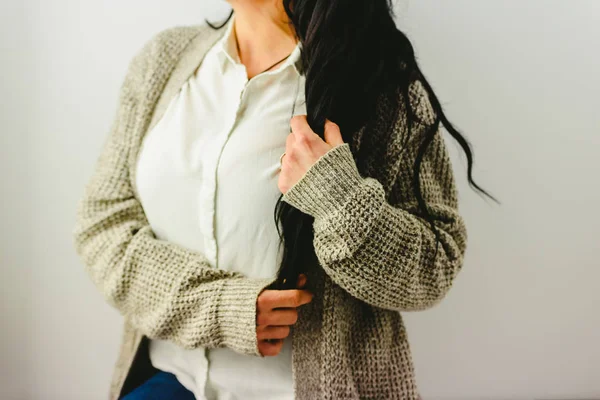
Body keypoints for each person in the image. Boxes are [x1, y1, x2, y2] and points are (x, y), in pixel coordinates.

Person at [73, 0, 493, 399]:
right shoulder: (163, 62)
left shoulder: (380, 88)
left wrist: (339, 200)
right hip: (170, 379)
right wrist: (219, 308)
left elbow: (437, 263)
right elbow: (103, 225)